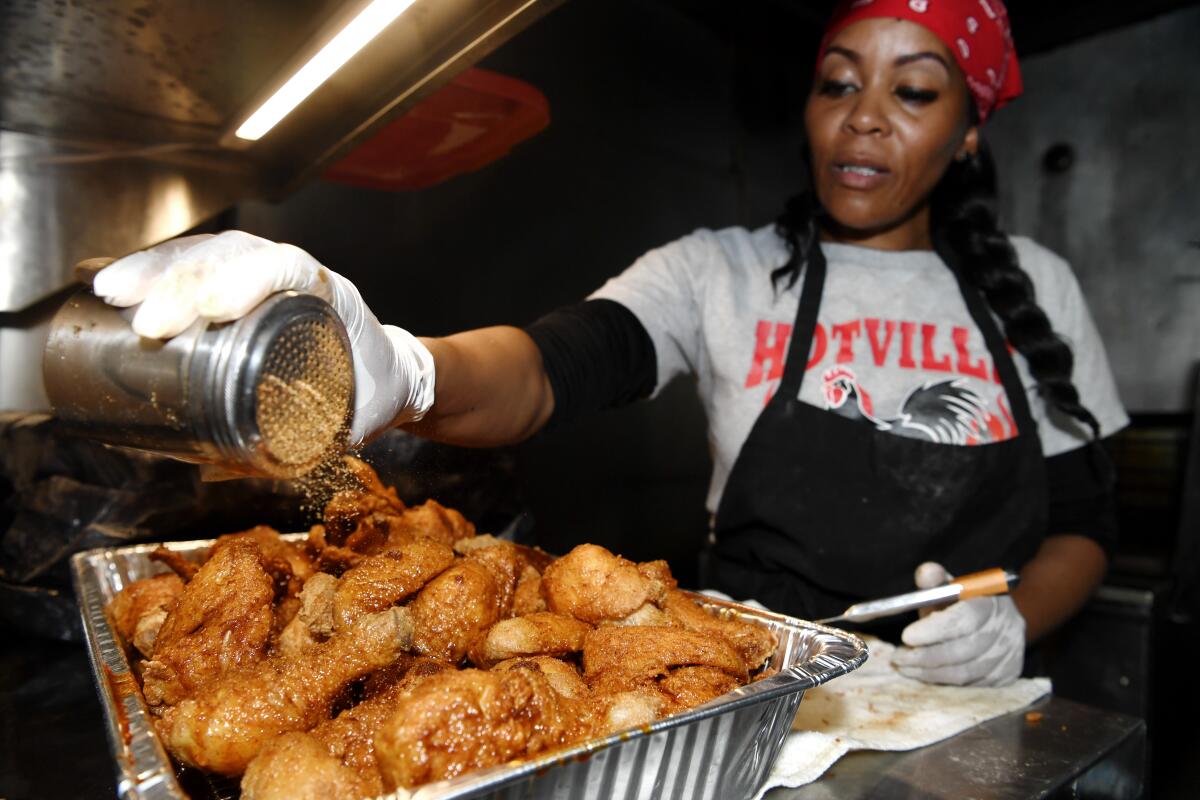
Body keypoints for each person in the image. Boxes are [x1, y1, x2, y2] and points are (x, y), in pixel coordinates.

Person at [91, 0, 1126, 687]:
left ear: (971, 128)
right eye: (838, 81)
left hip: (966, 715)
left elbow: (1084, 523)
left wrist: (1013, 628)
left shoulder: (1037, 286)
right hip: (749, 689)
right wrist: (405, 368)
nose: (862, 119)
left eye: (913, 91)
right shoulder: (722, 269)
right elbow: (548, 370)